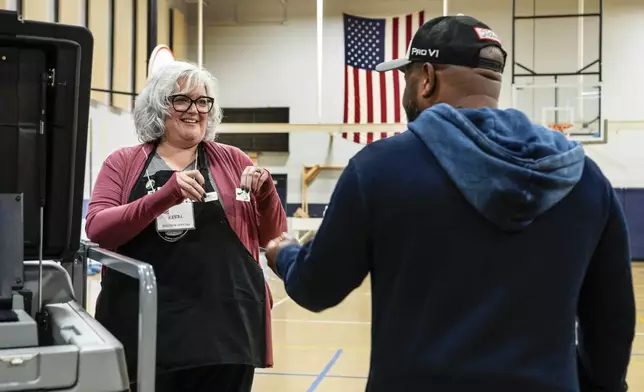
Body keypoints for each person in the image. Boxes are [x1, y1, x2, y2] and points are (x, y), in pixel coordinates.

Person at [265, 15, 636, 392]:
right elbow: (612, 320)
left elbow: (318, 287)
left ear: (426, 77)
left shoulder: (379, 169)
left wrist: (286, 255)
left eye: (406, 77)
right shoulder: (584, 178)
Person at [86, 60, 287, 392]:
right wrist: (163, 197)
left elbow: (269, 236)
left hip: (227, 332)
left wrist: (265, 194)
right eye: (182, 100)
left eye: (202, 101)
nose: (195, 110)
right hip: (146, 331)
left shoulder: (234, 161)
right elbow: (98, 229)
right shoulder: (123, 163)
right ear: (158, 106)